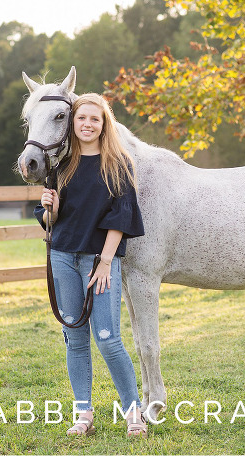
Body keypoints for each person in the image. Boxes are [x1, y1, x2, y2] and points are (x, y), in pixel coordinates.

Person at [34, 93, 147, 438]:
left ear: (103, 124)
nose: (87, 124)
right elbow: (52, 219)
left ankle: (134, 414)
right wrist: (48, 205)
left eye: (94, 119)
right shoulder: (61, 166)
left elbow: (122, 217)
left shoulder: (119, 164)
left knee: (108, 338)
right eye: (81, 118)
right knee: (74, 338)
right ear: (73, 123)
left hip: (100, 261)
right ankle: (83, 413)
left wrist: (106, 262)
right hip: (63, 257)